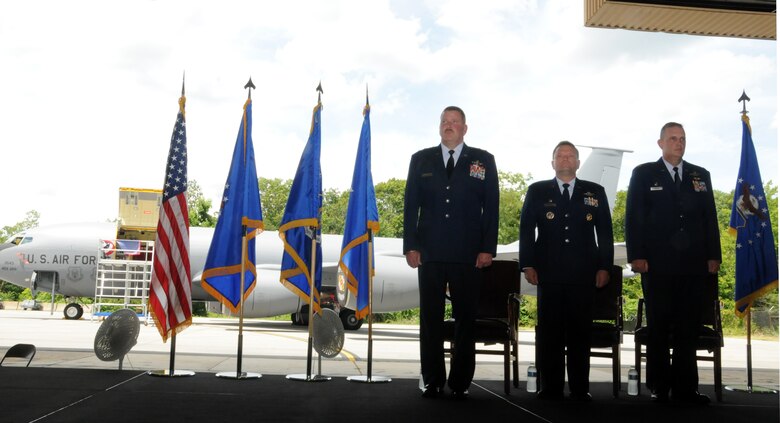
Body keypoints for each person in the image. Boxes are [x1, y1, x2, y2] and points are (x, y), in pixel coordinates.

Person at [403, 106, 499, 400]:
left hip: (468, 254)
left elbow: (491, 207)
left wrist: (487, 248)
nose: (449, 125)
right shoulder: (420, 160)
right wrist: (411, 245)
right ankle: (431, 380)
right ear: (439, 126)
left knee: (465, 320)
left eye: (455, 122)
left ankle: (460, 382)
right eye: (445, 121)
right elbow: (411, 205)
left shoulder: (483, 160)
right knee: (430, 320)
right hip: (430, 252)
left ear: (465, 129)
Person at [625, 122, 721, 405]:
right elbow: (634, 217)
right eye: (673, 138)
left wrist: (713, 255)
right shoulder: (643, 174)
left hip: (692, 266)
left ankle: (686, 388)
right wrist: (636, 255)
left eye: (682, 139)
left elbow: (709, 218)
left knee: (687, 327)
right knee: (659, 325)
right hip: (656, 264)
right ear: (660, 143)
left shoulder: (699, 175)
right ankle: (659, 386)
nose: (679, 143)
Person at [518, 141, 613, 402]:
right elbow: (526, 229)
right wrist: (528, 263)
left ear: (578, 163)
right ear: (553, 163)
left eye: (571, 156)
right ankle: (551, 387)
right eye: (561, 156)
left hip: (584, 274)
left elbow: (605, 232)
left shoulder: (594, 191)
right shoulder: (537, 191)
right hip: (549, 273)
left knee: (580, 334)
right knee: (551, 334)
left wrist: (604, 266)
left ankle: (580, 388)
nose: (566, 160)